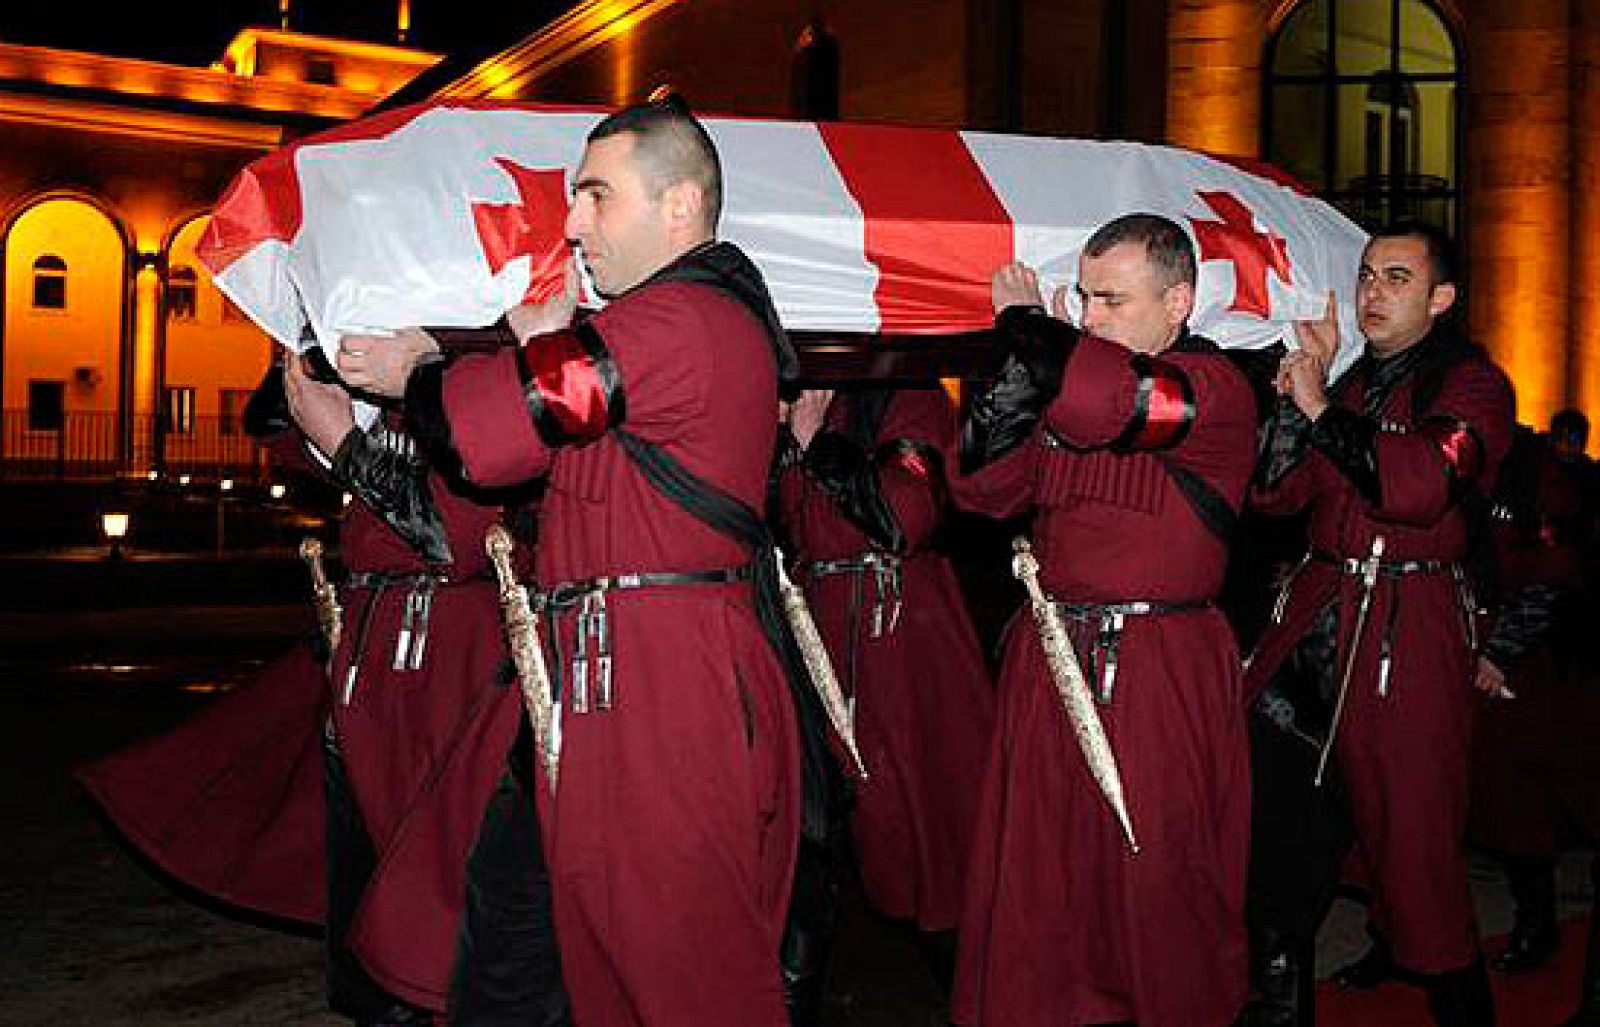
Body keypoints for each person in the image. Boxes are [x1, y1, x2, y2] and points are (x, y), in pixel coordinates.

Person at [335, 98, 810, 1026]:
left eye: (596, 195)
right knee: (542, 934)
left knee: (679, 962)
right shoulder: (660, 324)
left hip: (667, 688)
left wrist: (421, 371)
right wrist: (531, 350)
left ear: (680, 206)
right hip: (597, 678)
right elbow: (557, 444)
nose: (574, 221)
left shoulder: (684, 318)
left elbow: (492, 435)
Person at [79, 344, 571, 1027]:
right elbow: (279, 429)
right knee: (371, 875)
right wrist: (306, 348)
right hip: (377, 648)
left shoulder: (480, 361)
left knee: (438, 888)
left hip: (456, 657)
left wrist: (346, 441)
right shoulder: (399, 349)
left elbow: (453, 535)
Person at [949, 213, 1257, 1026]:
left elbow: (1110, 400)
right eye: (1083, 299)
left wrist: (1031, 331)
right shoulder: (1071, 383)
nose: (1090, 317)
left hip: (1158, 669)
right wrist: (1021, 364)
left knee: (1156, 888)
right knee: (1043, 892)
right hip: (1050, 664)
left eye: (1111, 299)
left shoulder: (1217, 393)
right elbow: (981, 489)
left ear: (1178, 301)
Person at [1243, 224, 1515, 1027]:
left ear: (1441, 298)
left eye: (1396, 277)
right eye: (1366, 275)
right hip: (1315, 628)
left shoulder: (1475, 387)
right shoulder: (1354, 385)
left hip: (1406, 632)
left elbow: (1419, 485)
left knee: (1416, 857)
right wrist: (1302, 393)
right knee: (1273, 838)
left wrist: (1321, 403)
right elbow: (1272, 494)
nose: (1371, 291)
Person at [775, 385, 995, 990]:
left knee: (928, 822)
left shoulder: (908, 398)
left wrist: (818, 443)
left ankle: (967, 987)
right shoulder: (795, 401)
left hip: (900, 641)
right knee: (812, 831)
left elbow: (903, 517)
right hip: (815, 638)